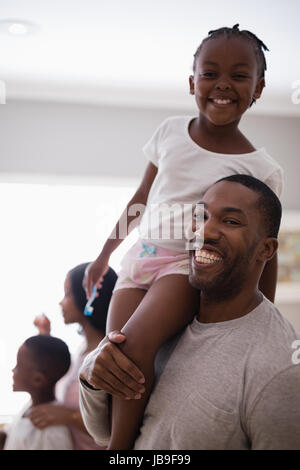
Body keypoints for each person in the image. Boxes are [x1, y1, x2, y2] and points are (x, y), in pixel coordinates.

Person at [82, 25, 284, 449]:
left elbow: (265, 252)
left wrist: (260, 311)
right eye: (210, 73)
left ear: (259, 87)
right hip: (139, 258)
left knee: (133, 346)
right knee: (113, 352)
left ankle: (120, 451)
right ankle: (126, 443)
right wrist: (103, 257)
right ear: (192, 81)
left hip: (183, 266)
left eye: (239, 75)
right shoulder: (170, 132)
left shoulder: (262, 169)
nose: (223, 84)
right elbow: (140, 199)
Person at [79, 175, 300, 450]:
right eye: (201, 216)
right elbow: (105, 433)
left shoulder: (280, 368)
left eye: (231, 221)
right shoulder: (158, 322)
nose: (204, 232)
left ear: (266, 249)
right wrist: (91, 376)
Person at [31, 262, 117, 450]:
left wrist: (68, 417)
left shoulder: (110, 356)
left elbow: (117, 430)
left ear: (89, 296)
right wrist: (45, 337)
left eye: (68, 294)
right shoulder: (80, 351)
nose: (61, 302)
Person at [0, 335, 73, 450]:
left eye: (18, 366)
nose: (13, 370)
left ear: (38, 379)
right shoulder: (30, 406)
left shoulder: (53, 432)